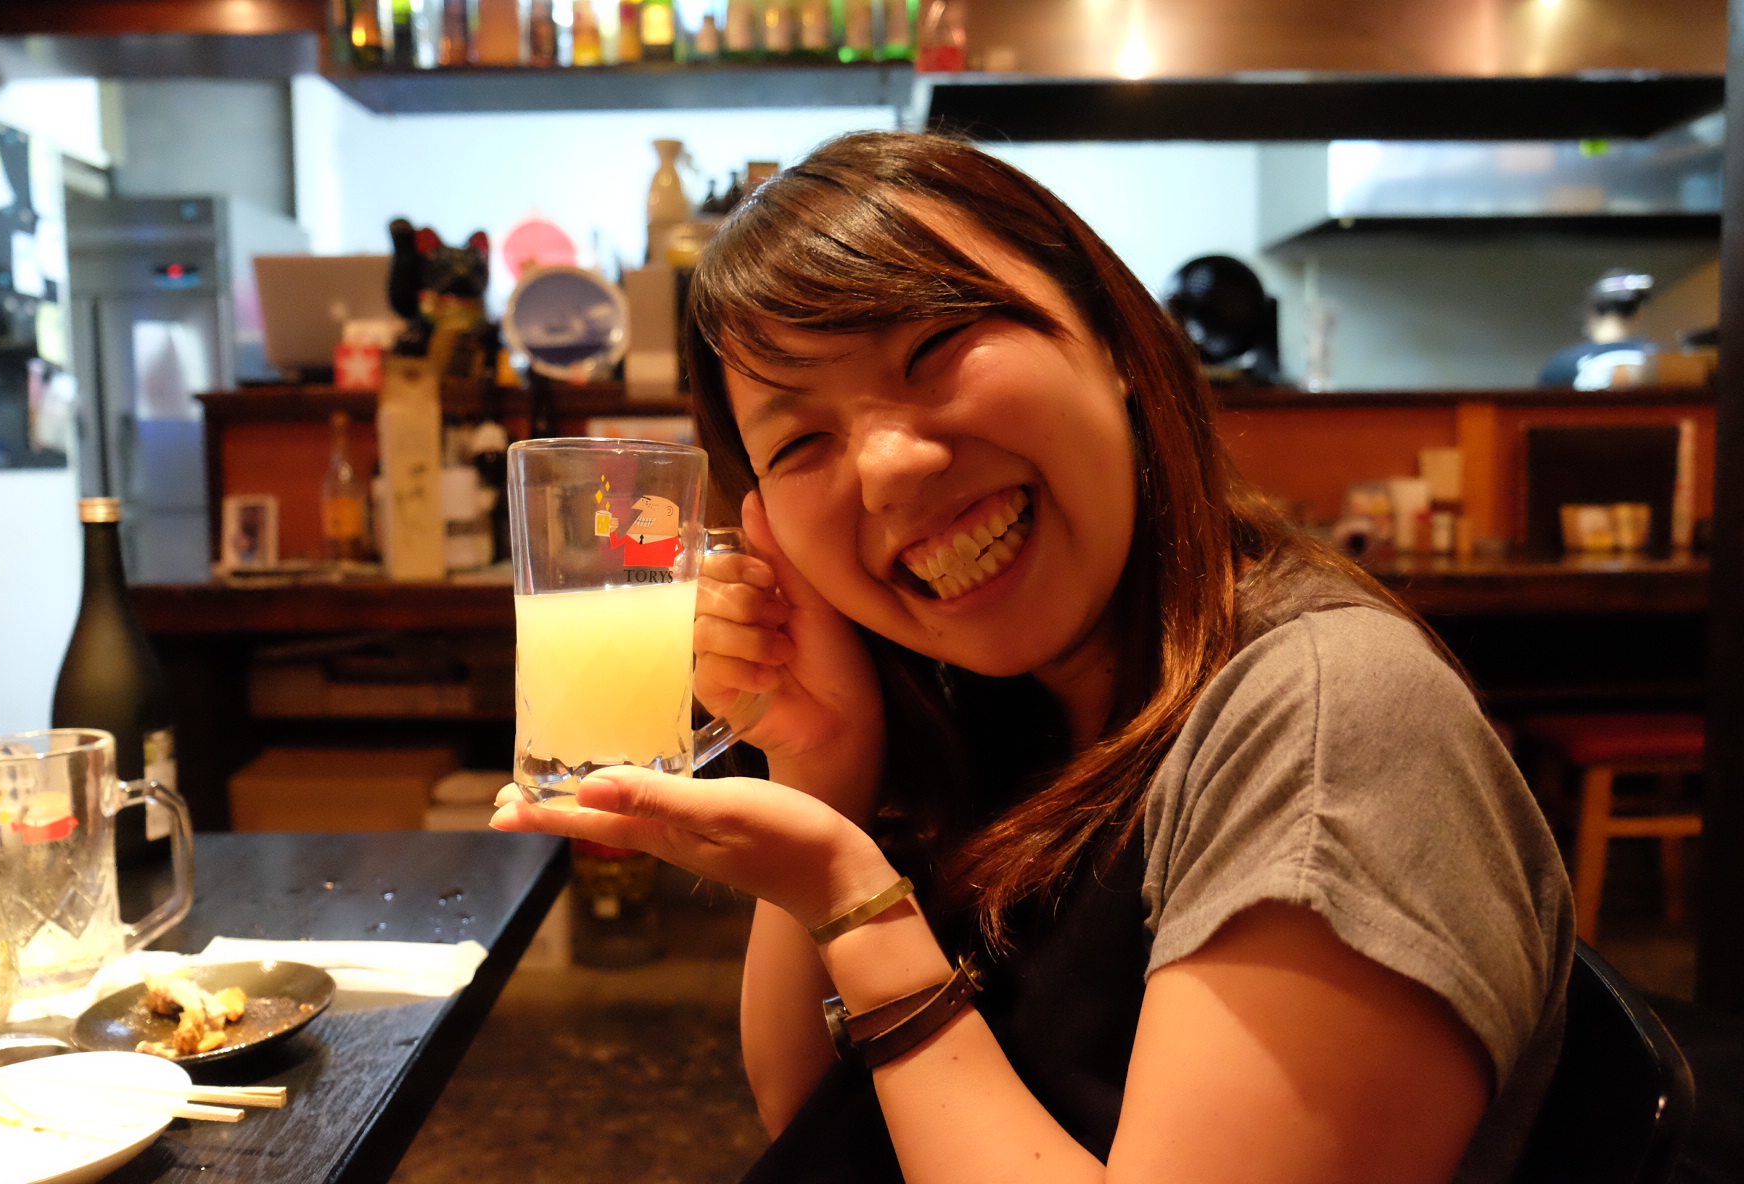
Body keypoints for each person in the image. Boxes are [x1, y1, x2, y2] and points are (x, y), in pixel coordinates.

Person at [493, 131, 1574, 1183]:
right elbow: (811, 1114)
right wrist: (823, 761)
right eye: (802, 441)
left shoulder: (1329, 724)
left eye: (932, 350)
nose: (888, 467)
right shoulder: (1013, 704)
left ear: (1114, 342)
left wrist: (851, 902)